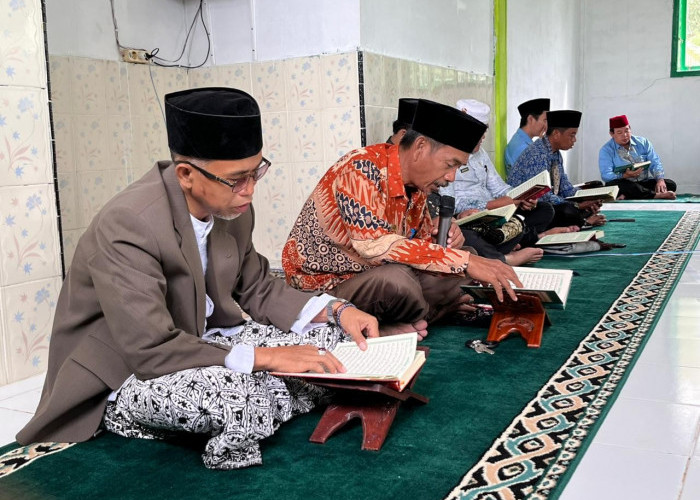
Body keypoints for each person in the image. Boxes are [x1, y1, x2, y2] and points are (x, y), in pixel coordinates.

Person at [16, 87, 381, 470]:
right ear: (186, 175)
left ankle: (271, 397)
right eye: (237, 179)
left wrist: (337, 310)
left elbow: (257, 286)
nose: (250, 190)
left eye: (256, 172)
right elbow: (150, 349)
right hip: (129, 367)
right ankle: (147, 413)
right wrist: (267, 358)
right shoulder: (128, 223)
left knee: (336, 342)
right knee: (238, 396)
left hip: (204, 342)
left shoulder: (232, 208)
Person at [282, 98, 522, 338]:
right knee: (399, 282)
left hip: (377, 275)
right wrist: (464, 261)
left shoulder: (417, 187)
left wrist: (449, 242)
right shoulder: (361, 168)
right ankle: (426, 316)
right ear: (420, 147)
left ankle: (417, 317)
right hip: (325, 289)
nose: (451, 177)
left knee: (462, 261)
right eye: (450, 165)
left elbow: (421, 249)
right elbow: (374, 246)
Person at [439, 99, 561, 266]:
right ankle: (508, 255)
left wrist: (521, 197)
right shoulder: (447, 154)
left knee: (544, 209)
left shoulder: (481, 153)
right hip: (473, 217)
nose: (483, 137)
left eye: (485, 131)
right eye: (479, 132)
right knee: (465, 235)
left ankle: (516, 241)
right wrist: (490, 205)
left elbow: (498, 187)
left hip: (497, 212)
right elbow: (449, 203)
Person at [508, 110, 606, 228]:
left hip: (547, 202)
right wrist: (578, 205)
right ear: (556, 134)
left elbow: (565, 188)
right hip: (525, 209)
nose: (574, 140)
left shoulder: (555, 154)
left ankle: (580, 217)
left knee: (589, 193)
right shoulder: (537, 155)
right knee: (565, 210)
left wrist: (588, 198)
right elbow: (544, 197)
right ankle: (583, 222)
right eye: (572, 135)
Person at [598, 114, 677, 200]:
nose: (625, 135)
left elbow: (655, 162)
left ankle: (628, 195)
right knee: (614, 185)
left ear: (630, 129)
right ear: (611, 134)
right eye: (619, 132)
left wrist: (660, 180)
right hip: (624, 183)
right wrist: (624, 175)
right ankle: (656, 195)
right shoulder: (606, 150)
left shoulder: (643, 142)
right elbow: (606, 175)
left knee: (670, 184)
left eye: (627, 131)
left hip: (643, 182)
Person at [504, 98, 550, 175]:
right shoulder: (523, 148)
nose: (546, 126)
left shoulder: (519, 139)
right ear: (530, 119)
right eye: (545, 120)